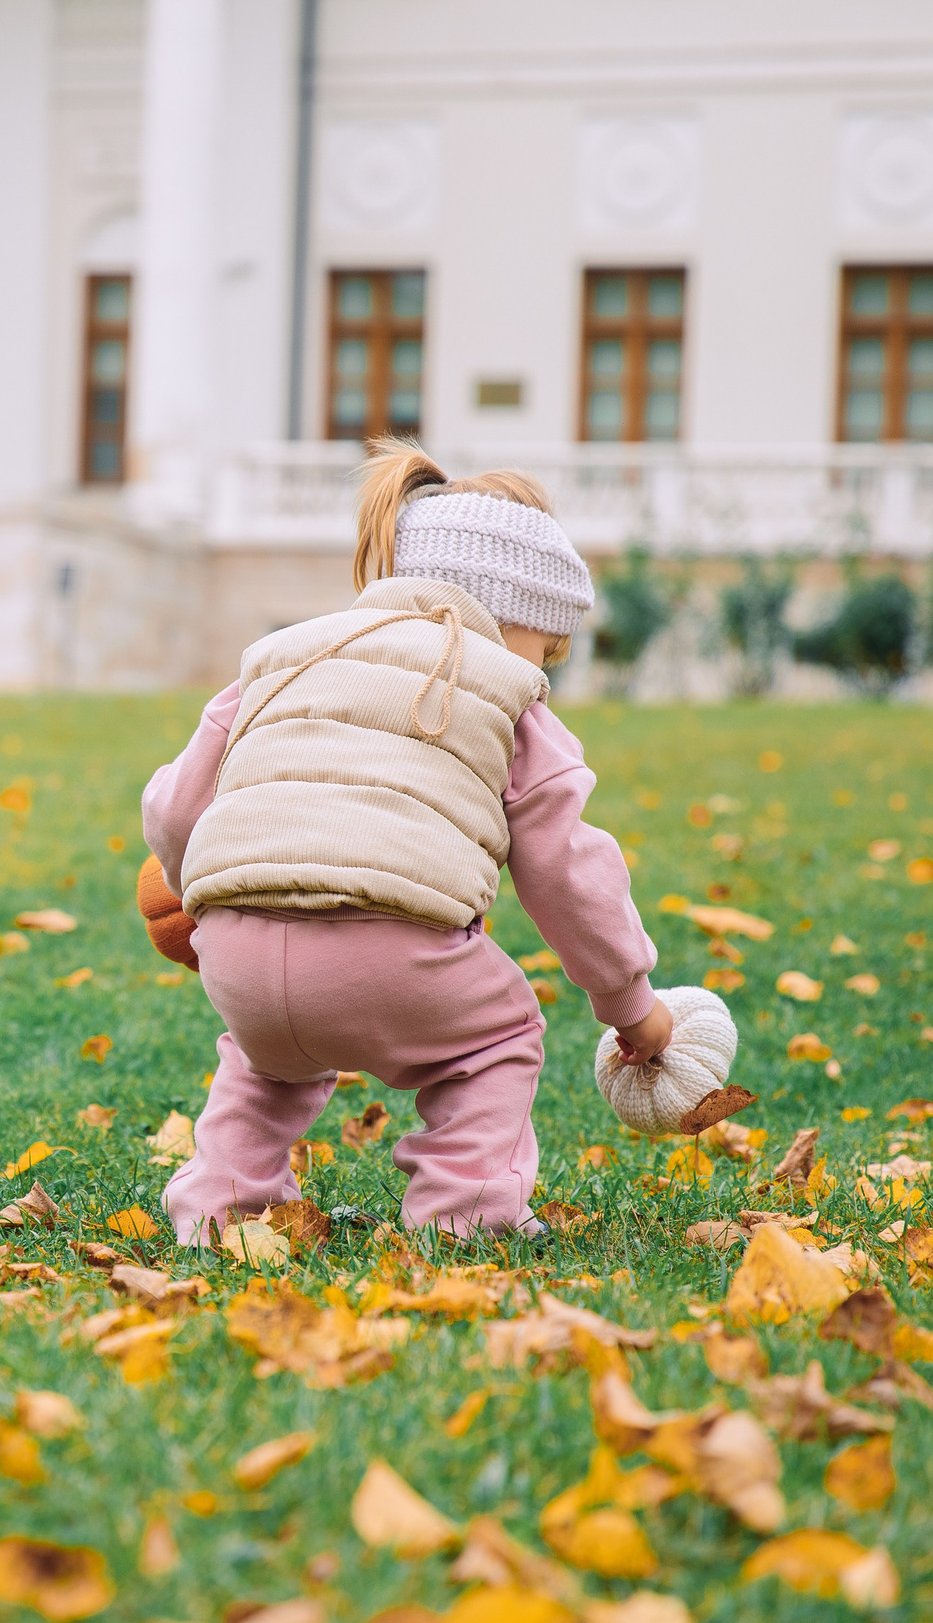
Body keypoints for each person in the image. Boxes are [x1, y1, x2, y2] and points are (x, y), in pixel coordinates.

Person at [140, 436, 669, 1240]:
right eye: (546, 650)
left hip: (240, 960)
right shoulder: (510, 694)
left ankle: (219, 1206)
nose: (544, 673)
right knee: (501, 1033)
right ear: (518, 614)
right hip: (392, 953)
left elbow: (176, 805)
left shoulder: (276, 660)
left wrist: (199, 895)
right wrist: (631, 1007)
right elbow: (567, 870)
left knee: (265, 1056)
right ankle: (463, 1215)